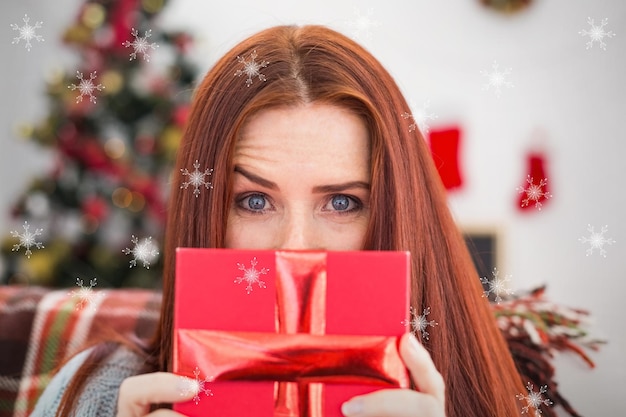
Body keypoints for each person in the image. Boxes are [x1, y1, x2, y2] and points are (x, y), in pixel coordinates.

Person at [30, 25, 526, 417]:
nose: (296, 248)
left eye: (342, 203)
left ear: (397, 216)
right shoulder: (97, 393)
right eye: (253, 201)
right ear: (206, 212)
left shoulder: (488, 394)